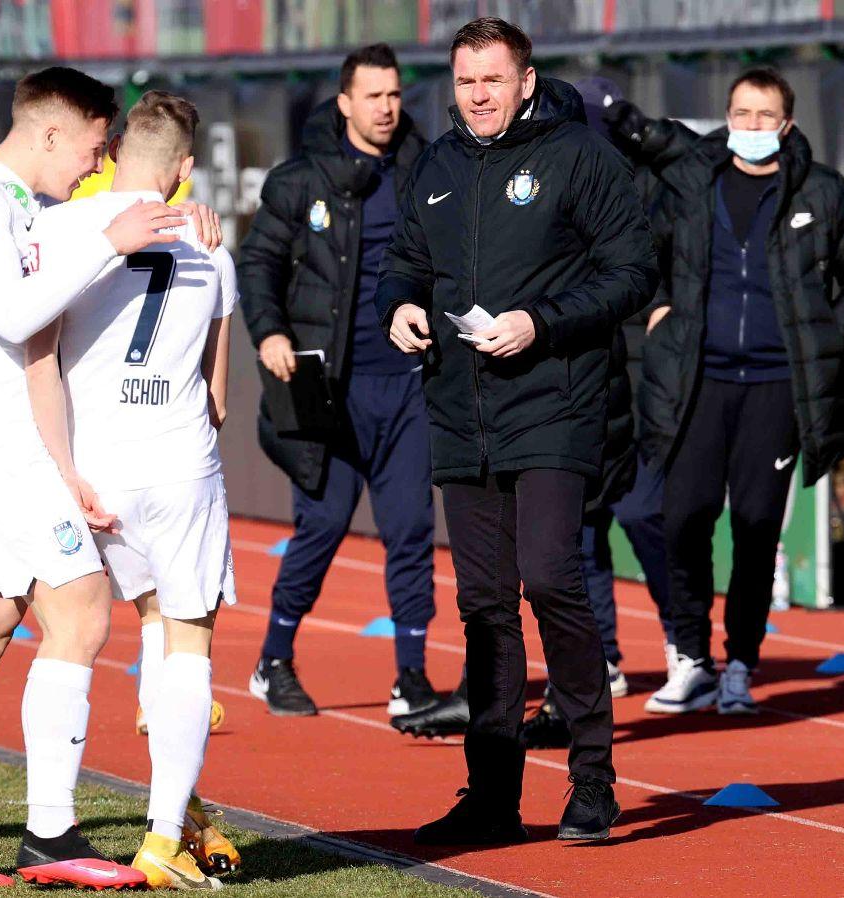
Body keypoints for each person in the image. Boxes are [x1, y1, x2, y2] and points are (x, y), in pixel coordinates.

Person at [0, 67, 212, 889]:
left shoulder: (19, 204)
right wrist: (111, 240)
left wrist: (178, 218)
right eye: (94, 147)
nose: (97, 164)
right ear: (50, 133)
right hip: (1, 438)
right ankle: (51, 835)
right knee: (81, 611)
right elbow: (10, 313)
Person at [376, 18, 658, 843]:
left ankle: (593, 780)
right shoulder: (436, 163)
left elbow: (634, 271)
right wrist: (400, 304)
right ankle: (492, 799)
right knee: (484, 605)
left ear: (526, 81)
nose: (478, 96)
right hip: (460, 411)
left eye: (493, 80)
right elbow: (405, 262)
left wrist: (542, 321)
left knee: (550, 578)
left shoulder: (580, 156)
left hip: (556, 401)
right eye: (466, 81)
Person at [26, 90, 240, 890]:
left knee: (73, 636)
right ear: (186, 167)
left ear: (113, 151)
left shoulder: (63, 229)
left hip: (90, 470)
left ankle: (52, 822)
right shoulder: (209, 245)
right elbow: (218, 397)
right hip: (180, 465)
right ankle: (164, 835)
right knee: (186, 639)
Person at [238, 42, 453, 722]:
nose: (386, 108)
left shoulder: (431, 171)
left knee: (411, 528)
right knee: (323, 524)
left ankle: (412, 677)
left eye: (394, 95)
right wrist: (269, 332)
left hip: (409, 385)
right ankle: (274, 660)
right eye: (372, 96)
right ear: (344, 103)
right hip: (328, 389)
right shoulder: (300, 180)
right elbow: (258, 263)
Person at [640, 66, 844, 716]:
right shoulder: (689, 183)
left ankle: (740, 664)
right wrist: (657, 308)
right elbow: (644, 257)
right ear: (727, 117)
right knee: (683, 518)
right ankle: (690, 657)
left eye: (765, 116)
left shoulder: (823, 191)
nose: (752, 125)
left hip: (775, 384)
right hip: (697, 379)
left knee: (756, 526)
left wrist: (828, 336)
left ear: (787, 125)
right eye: (741, 113)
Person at [521, 79, 698, 747]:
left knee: (645, 513)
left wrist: (649, 132)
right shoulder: (543, 191)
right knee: (582, 525)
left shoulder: (651, 183)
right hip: (582, 374)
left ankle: (687, 645)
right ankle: (603, 660)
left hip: (650, 374)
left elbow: (698, 189)